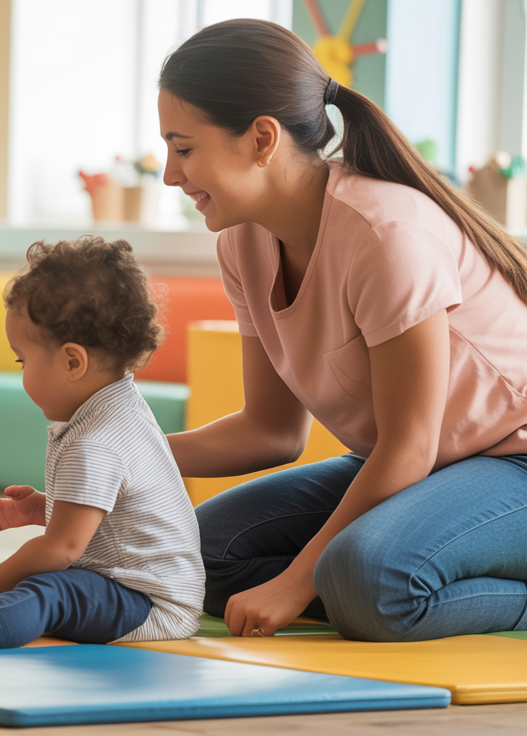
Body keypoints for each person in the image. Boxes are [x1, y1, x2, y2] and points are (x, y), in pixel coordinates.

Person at [158, 19, 527, 641]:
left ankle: (390, 588)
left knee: (365, 579)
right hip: (416, 471)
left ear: (261, 139)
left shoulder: (385, 233)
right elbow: (271, 431)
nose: (171, 173)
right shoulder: (243, 241)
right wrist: (122, 457)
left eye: (185, 148)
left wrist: (299, 580)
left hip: (510, 462)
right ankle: (389, 581)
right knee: (196, 554)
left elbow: (408, 446)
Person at [0, 237, 204, 650]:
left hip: (146, 604)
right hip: (153, 591)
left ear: (73, 361)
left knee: (51, 589)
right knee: (54, 582)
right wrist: (46, 507)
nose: (20, 372)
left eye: (22, 359)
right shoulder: (123, 406)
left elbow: (62, 549)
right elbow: (111, 509)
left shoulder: (95, 442)